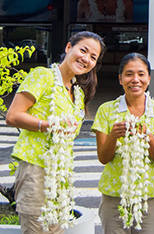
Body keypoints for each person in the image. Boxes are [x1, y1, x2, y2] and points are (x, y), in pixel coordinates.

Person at [6, 31, 106, 233]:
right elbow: (13, 115)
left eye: (93, 57)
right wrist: (47, 125)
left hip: (60, 175)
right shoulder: (42, 76)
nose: (86, 59)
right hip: (36, 169)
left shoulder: (77, 93)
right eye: (83, 50)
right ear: (69, 48)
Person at [91, 53, 154, 234]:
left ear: (149, 78)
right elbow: (103, 158)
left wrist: (148, 137)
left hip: (150, 197)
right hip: (114, 196)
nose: (135, 80)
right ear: (120, 79)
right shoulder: (106, 110)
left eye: (141, 74)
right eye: (129, 74)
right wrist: (113, 136)